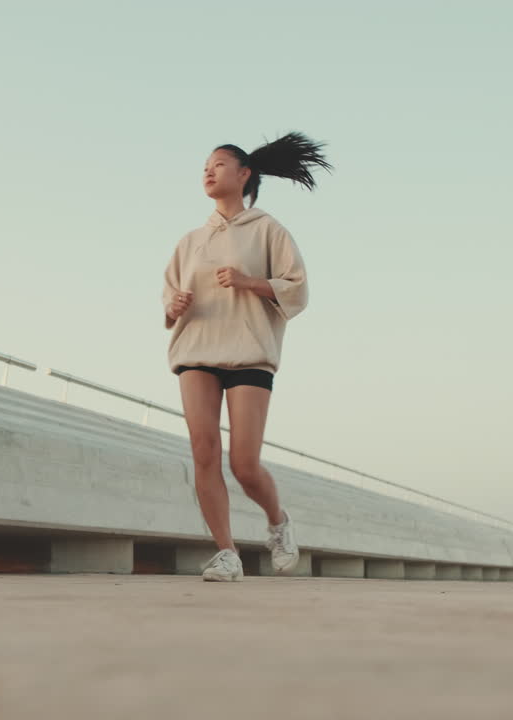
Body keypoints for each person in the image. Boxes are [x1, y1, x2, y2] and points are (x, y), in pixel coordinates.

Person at [162, 132, 331, 582]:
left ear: (244, 174)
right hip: (197, 349)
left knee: (244, 463)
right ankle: (226, 553)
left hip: (249, 354)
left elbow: (297, 289)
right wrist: (172, 306)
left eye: (218, 164)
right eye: (205, 166)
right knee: (203, 450)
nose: (208, 170)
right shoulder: (190, 240)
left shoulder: (268, 230)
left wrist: (248, 280)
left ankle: (278, 521)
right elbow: (169, 296)